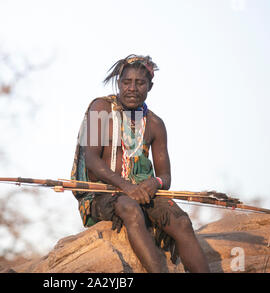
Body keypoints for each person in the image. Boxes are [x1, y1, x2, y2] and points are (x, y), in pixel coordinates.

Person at [71, 54, 210, 273]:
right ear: (119, 83)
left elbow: (165, 176)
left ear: (150, 86)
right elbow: (91, 159)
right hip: (104, 193)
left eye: (140, 83)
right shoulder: (101, 109)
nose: (132, 88)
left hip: (144, 193)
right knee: (130, 208)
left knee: (182, 222)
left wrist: (154, 183)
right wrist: (126, 187)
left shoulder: (154, 124)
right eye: (127, 82)